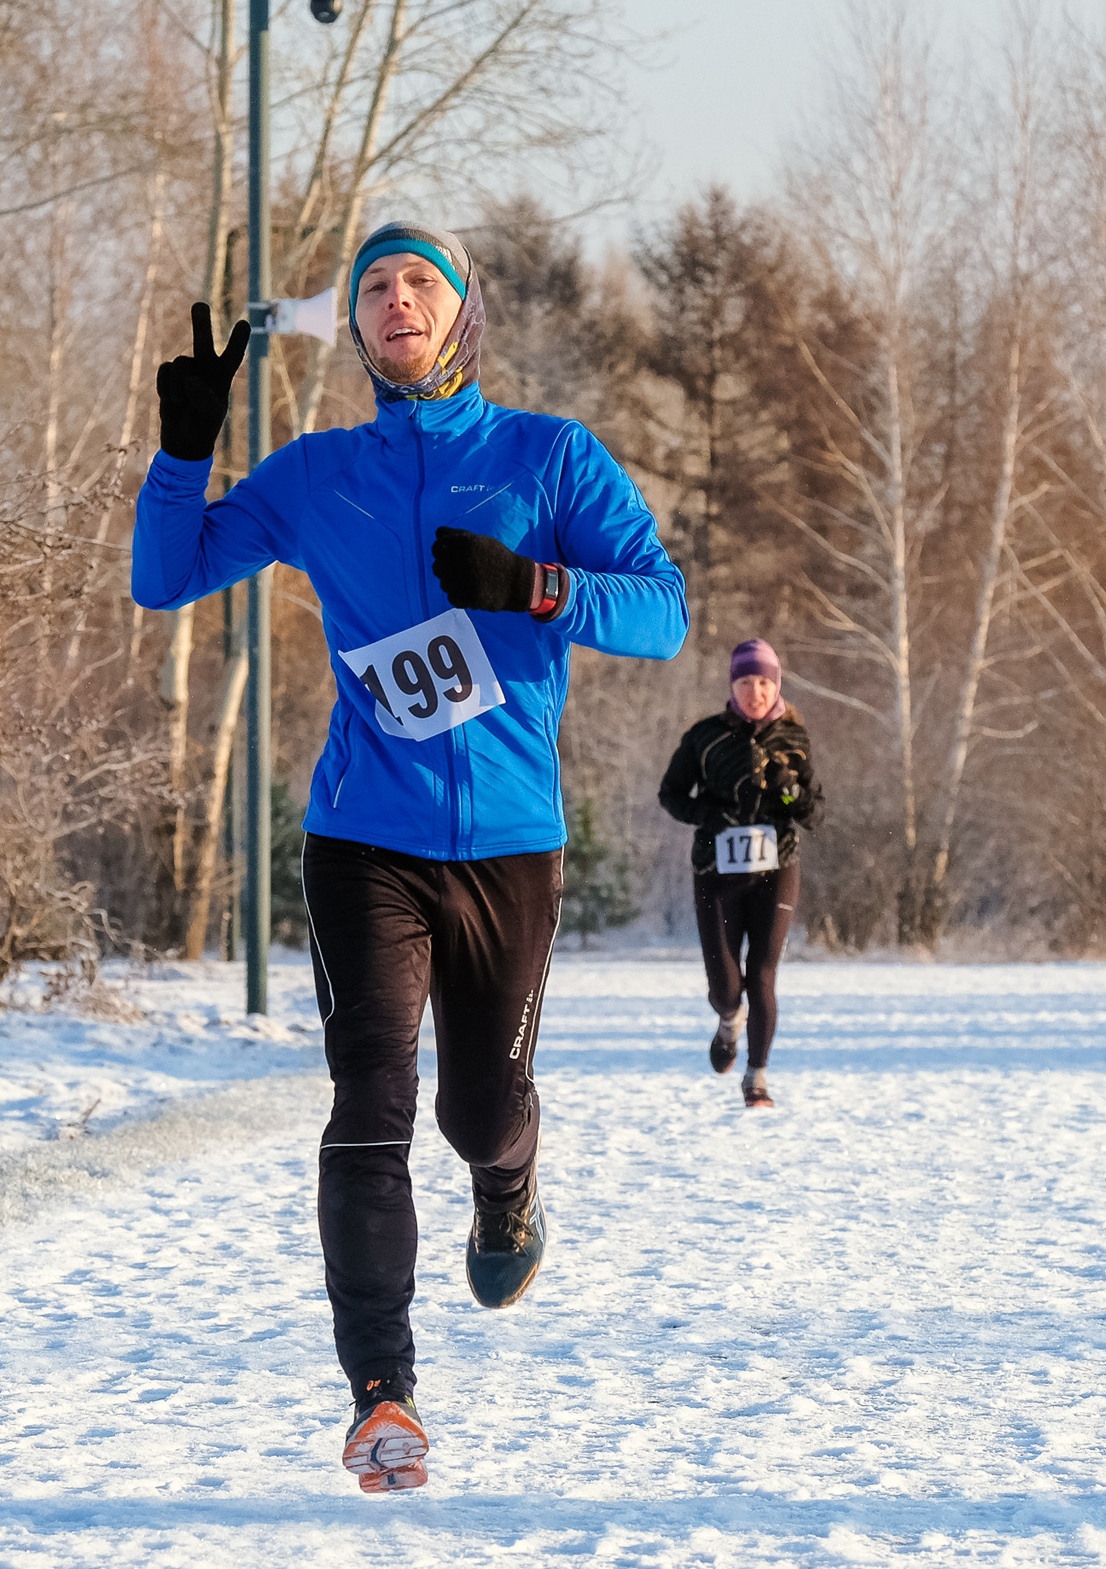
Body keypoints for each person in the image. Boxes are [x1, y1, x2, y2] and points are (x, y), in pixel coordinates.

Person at [131, 220, 687, 1494]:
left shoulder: (548, 456)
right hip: (361, 840)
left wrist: (538, 585)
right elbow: (165, 580)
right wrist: (181, 451)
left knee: (474, 1110)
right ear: (362, 327)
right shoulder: (320, 474)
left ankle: (508, 1186)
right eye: (373, 286)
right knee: (368, 1105)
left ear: (460, 315)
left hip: (508, 845)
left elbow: (664, 611)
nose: (392, 301)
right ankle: (383, 1394)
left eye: (416, 283)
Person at [656, 638, 819, 1110]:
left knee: (763, 973)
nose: (756, 691)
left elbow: (813, 813)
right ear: (733, 685)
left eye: (765, 681)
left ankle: (757, 1077)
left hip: (778, 867)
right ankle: (729, 1020)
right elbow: (671, 795)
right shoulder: (705, 737)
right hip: (716, 870)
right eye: (746, 681)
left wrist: (790, 792)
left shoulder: (794, 738)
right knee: (726, 987)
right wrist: (708, 814)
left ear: (777, 685)